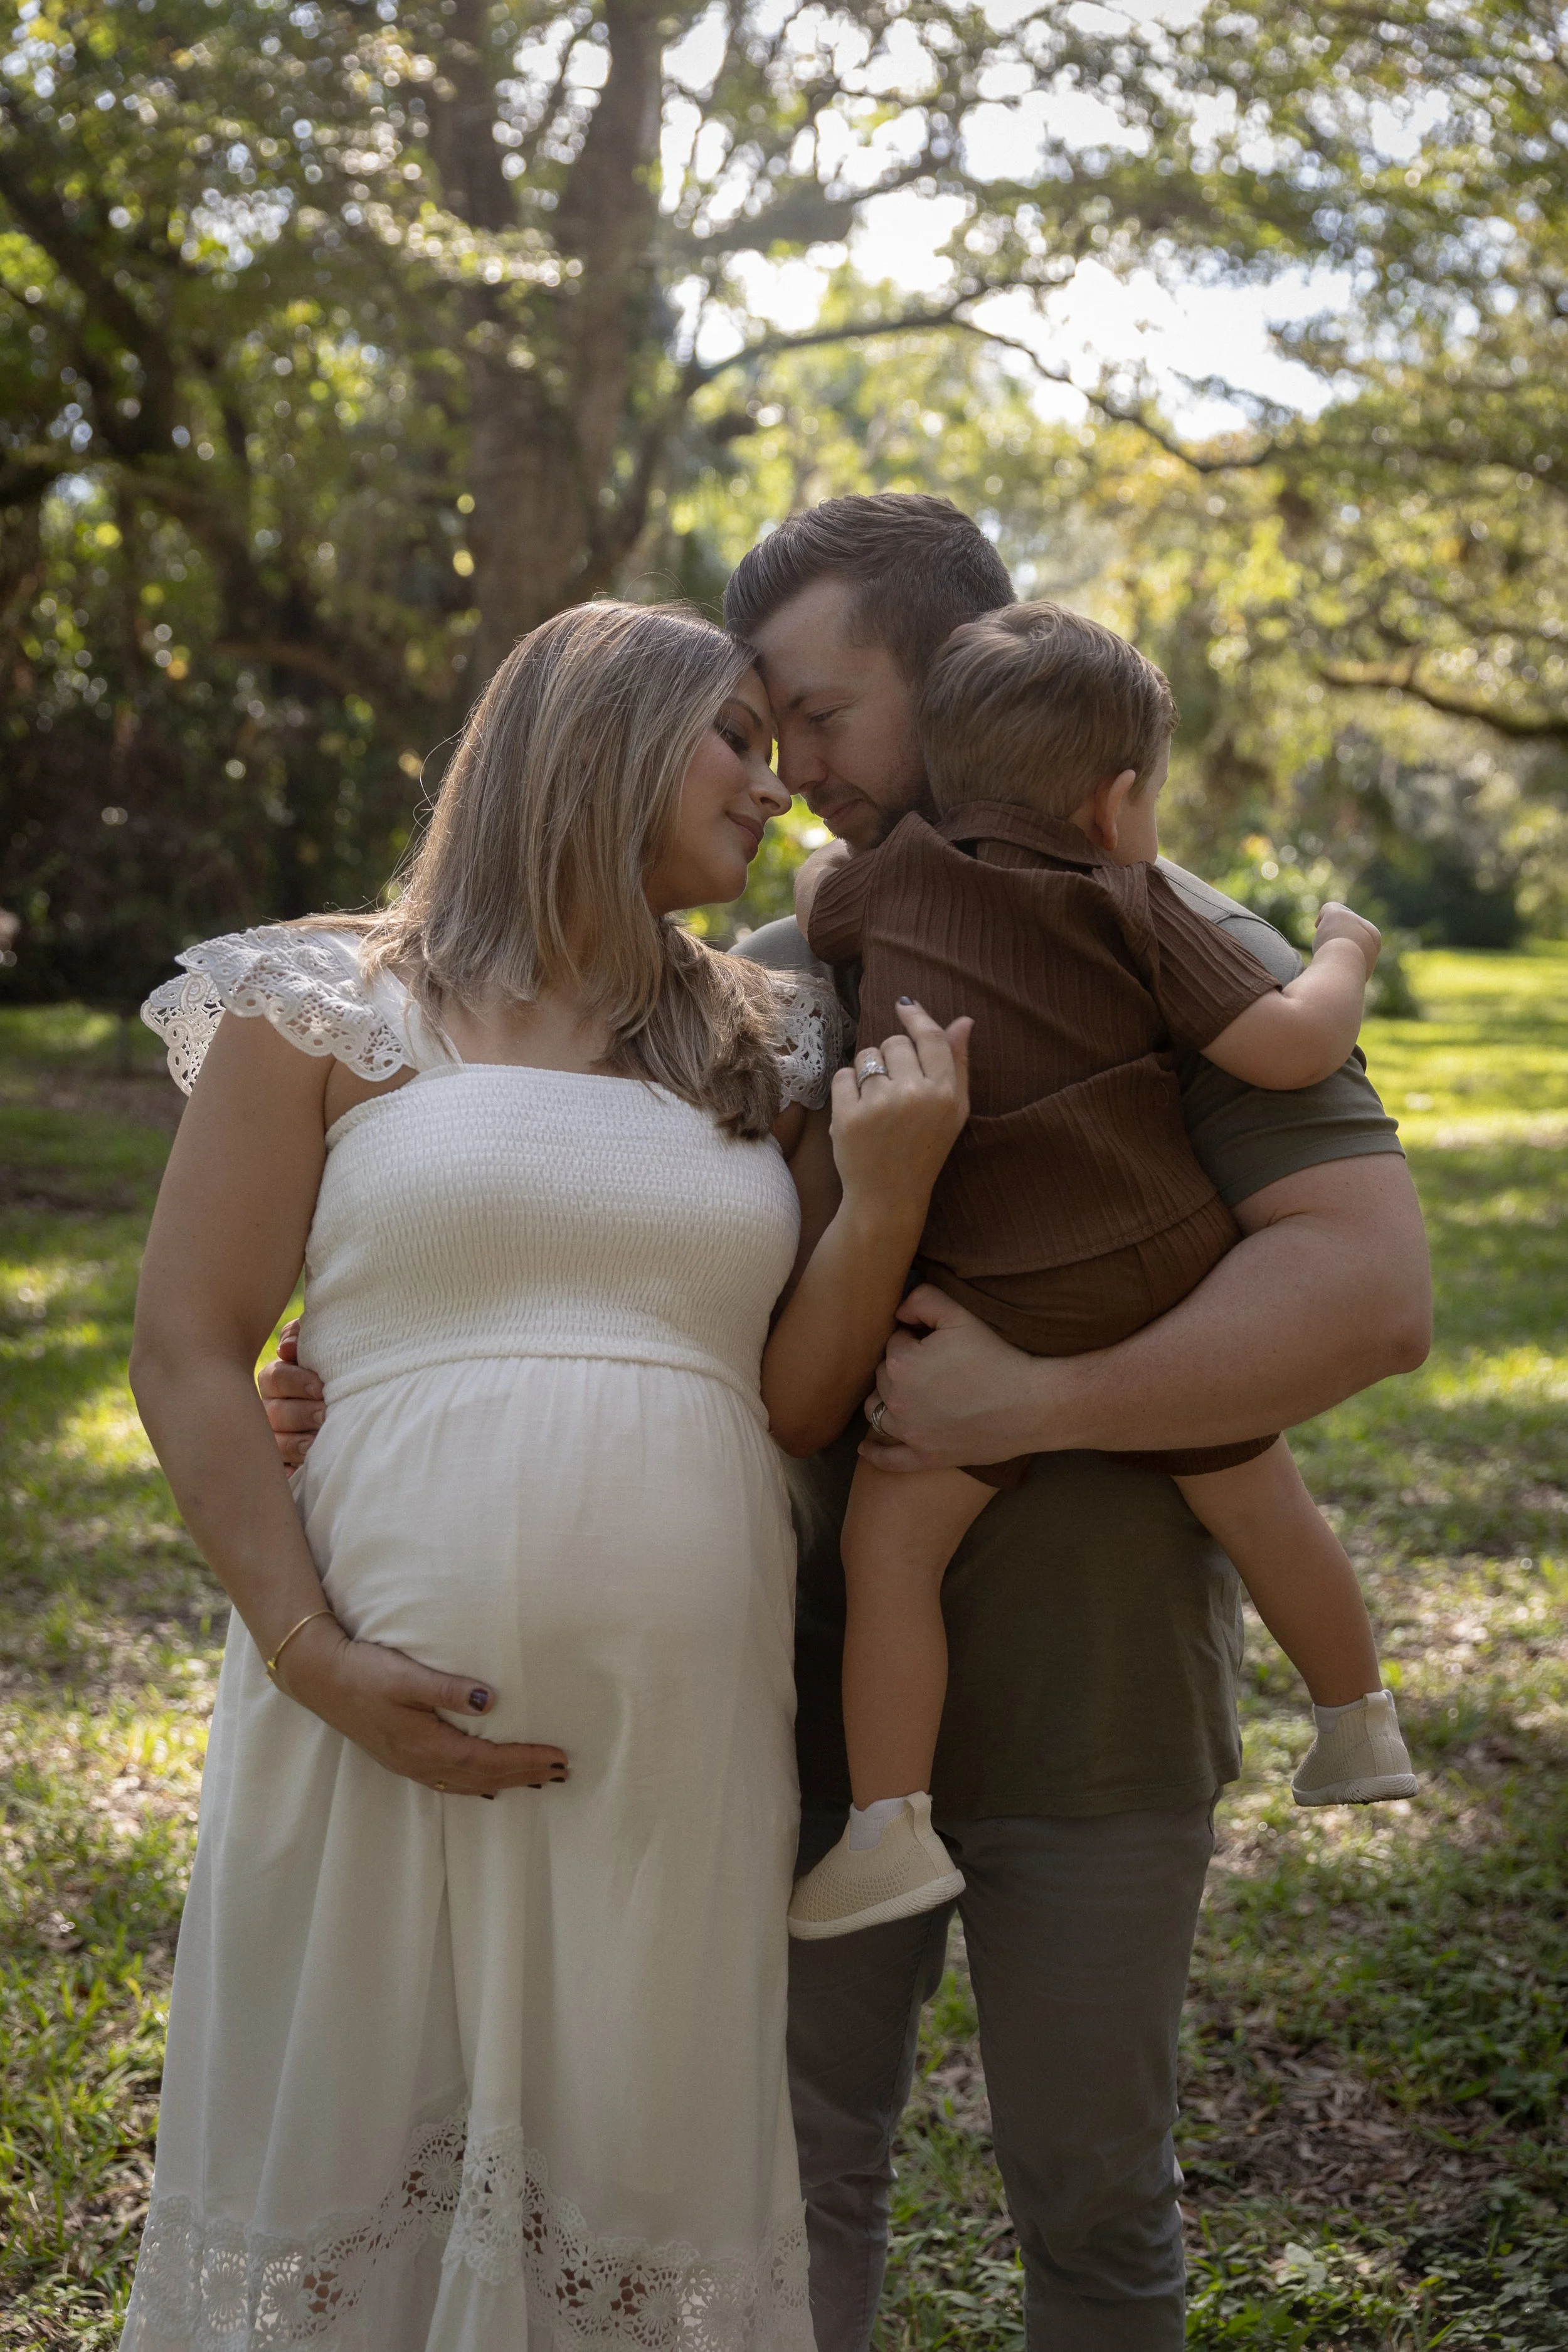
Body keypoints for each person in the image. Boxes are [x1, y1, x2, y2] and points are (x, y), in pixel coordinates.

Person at [263, 497, 1433, 2352]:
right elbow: (590, 1235)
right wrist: (385, 1357)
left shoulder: (1166, 936)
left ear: (962, 674)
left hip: (1096, 1702)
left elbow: (1368, 1295)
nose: (788, 770)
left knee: (1093, 2194)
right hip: (777, 1704)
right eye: (758, 729)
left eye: (819, 714)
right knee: (791, 2179)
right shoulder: (759, 977)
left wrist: (1040, 1396)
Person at [122, 599, 972, 2352]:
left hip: (676, 1738)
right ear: (595, 736)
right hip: (354, 1700)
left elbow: (794, 1398)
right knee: (350, 2144)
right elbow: (191, 1344)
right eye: (735, 735)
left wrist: (882, 1199)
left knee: (637, 2165)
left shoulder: (763, 1036)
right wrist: (308, 1648)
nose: (774, 783)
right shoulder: (323, 999)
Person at [785, 599, 1416, 1942]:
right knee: (1255, 1491)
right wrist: (1346, 952)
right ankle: (1354, 1722)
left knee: (889, 1544)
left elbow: (810, 901)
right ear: (1118, 800)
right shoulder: (1133, 899)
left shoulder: (890, 882)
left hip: (988, 1286)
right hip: (1159, 1269)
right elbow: (1289, 1048)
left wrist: (842, 892)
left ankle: (885, 1824)